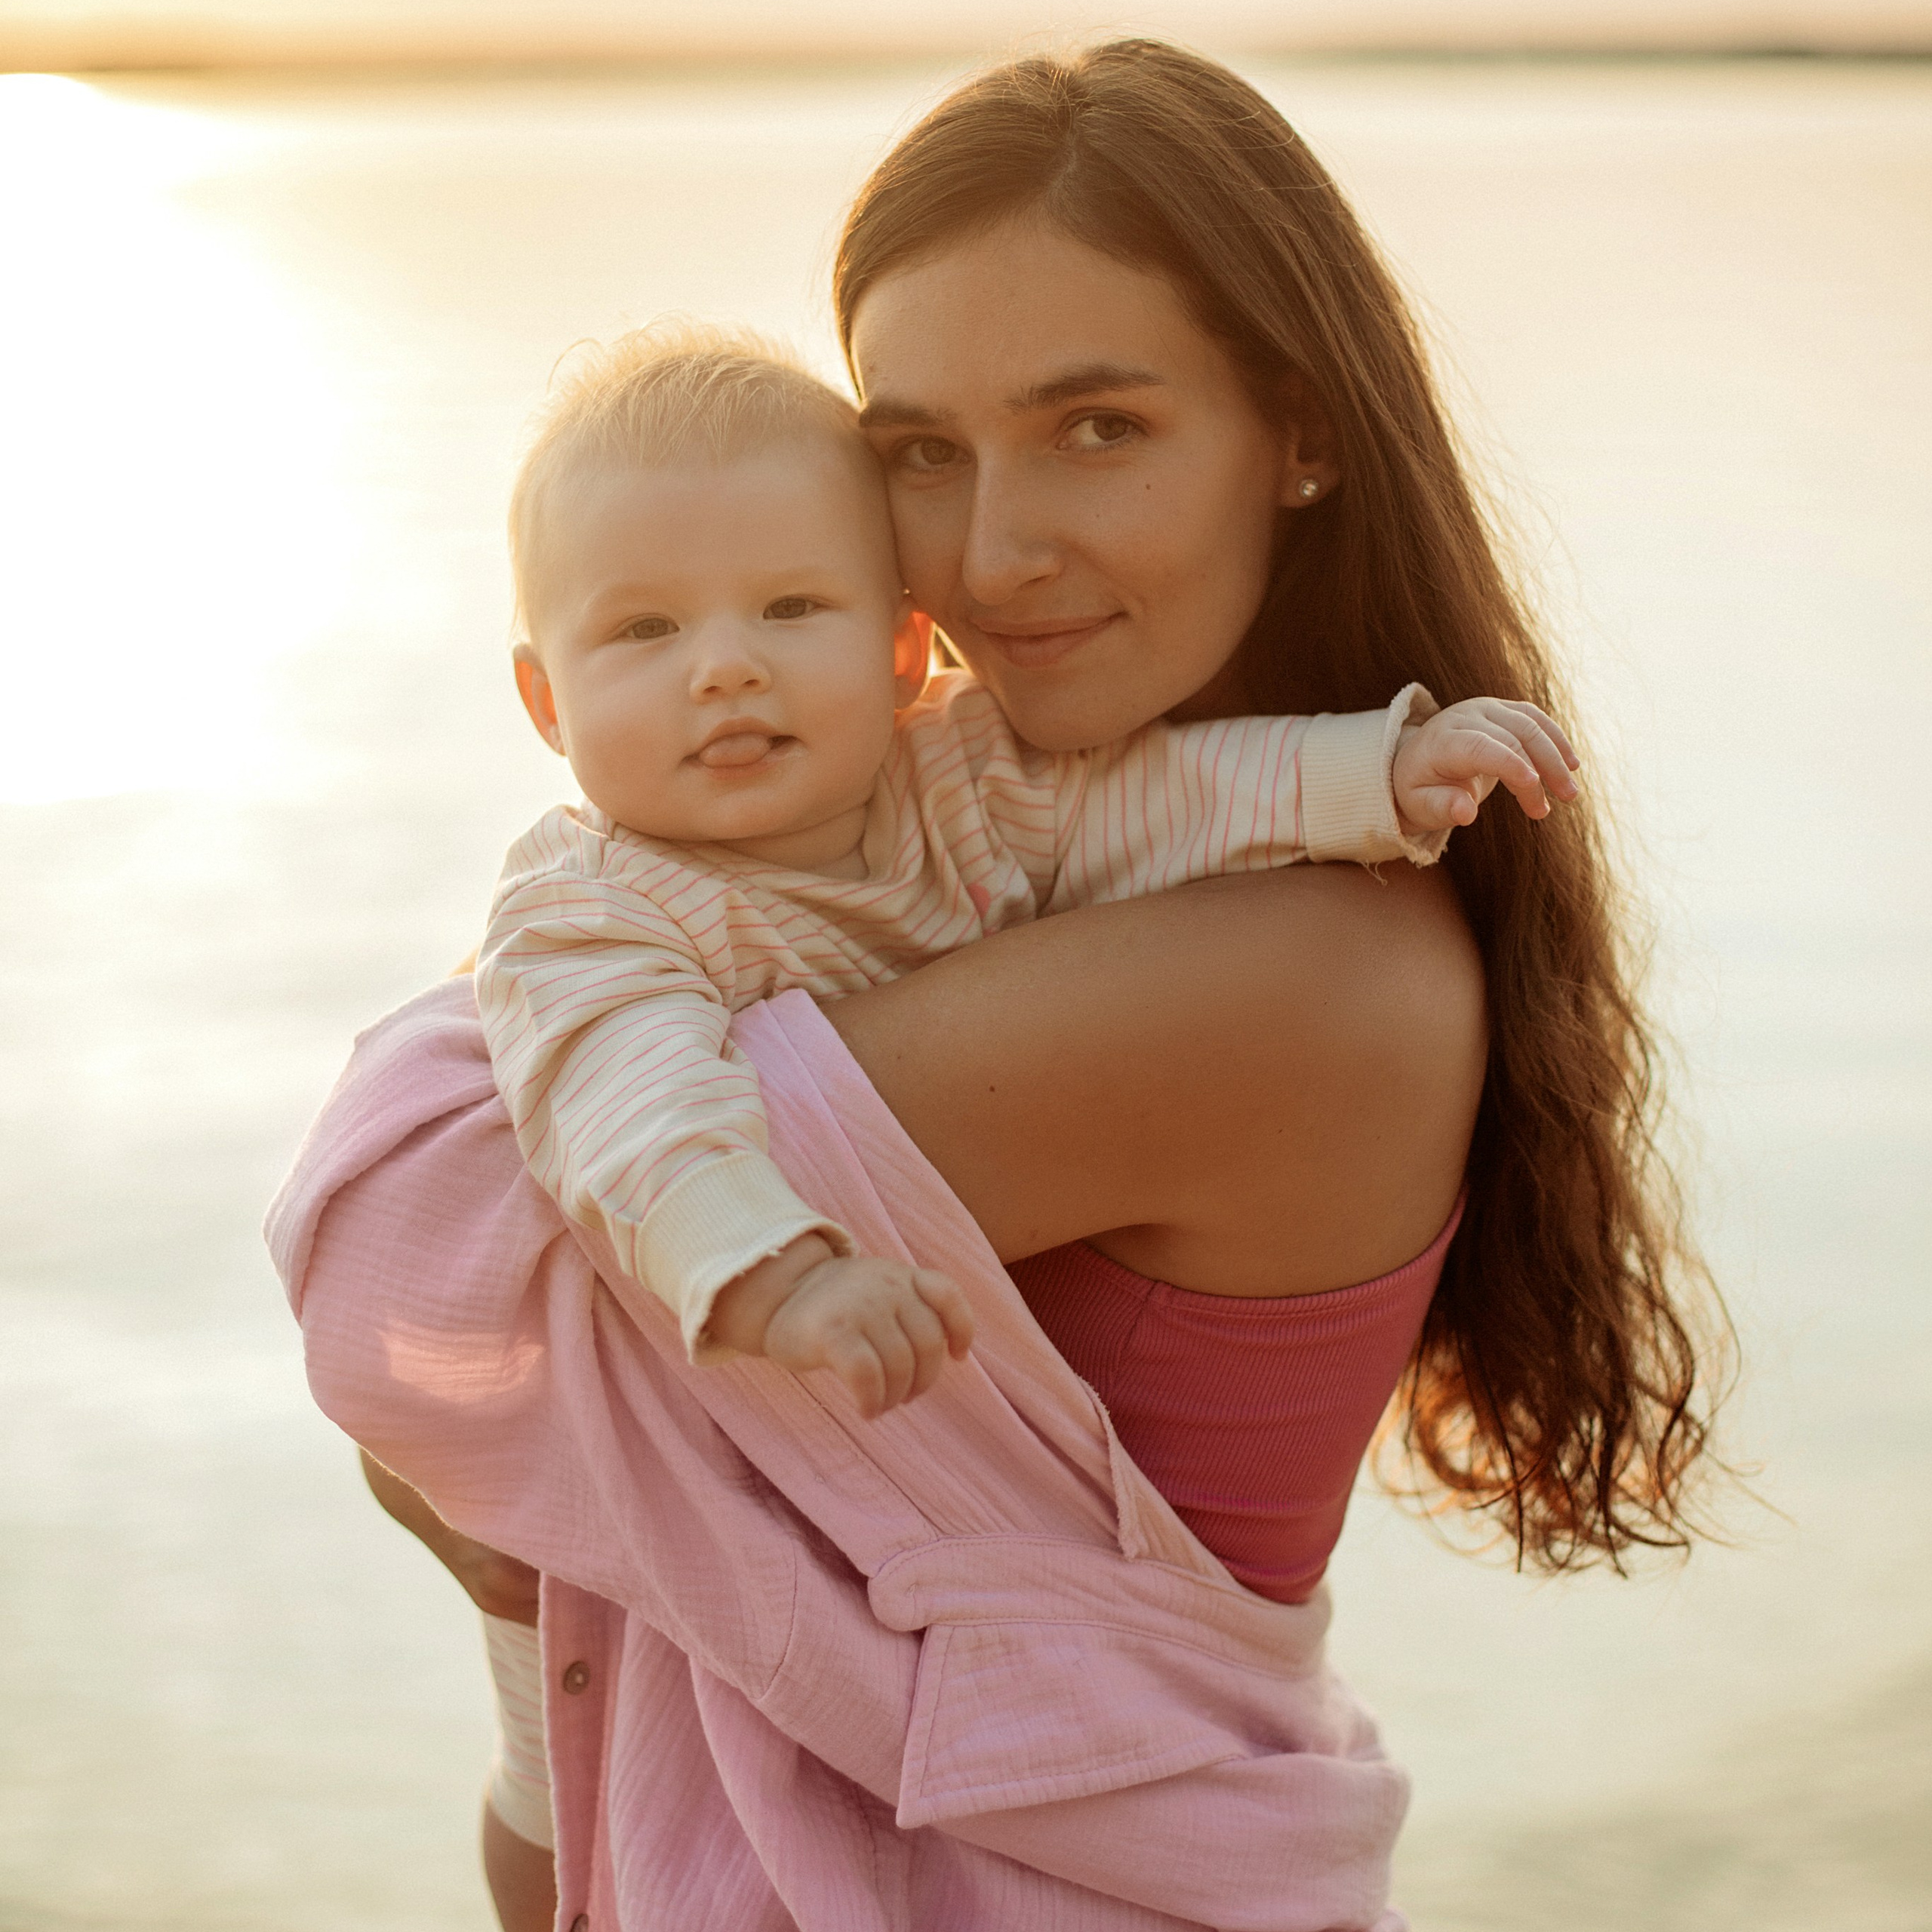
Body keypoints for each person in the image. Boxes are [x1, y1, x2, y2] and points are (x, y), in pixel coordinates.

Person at [281, 38, 1725, 1931]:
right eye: (917, 456)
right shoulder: (1001, 830)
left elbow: (422, 1240)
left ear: (1296, 429)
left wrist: (571, 942)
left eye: (1097, 426)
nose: (989, 550)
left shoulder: (1296, 971)